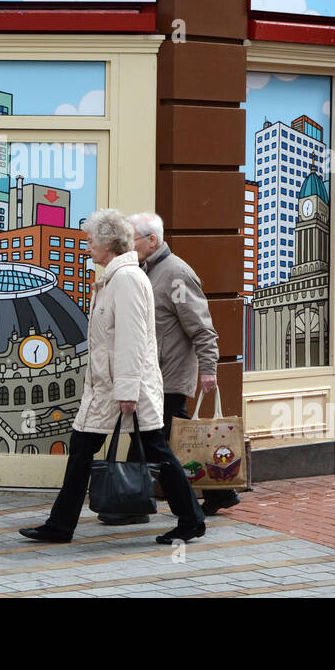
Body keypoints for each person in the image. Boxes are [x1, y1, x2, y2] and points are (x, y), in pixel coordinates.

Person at [19, 209, 206, 545]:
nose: (87, 245)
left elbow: (133, 340)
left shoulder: (127, 280)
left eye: (91, 240)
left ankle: (191, 518)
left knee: (156, 451)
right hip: (109, 388)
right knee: (85, 449)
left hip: (124, 389)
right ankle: (60, 525)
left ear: (109, 243)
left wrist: (128, 391)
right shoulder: (114, 278)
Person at [97, 211, 239, 523]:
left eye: (132, 238)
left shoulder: (177, 274)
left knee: (151, 439)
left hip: (170, 377)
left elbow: (202, 328)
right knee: (162, 441)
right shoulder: (146, 270)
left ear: (152, 240)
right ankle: (217, 493)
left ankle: (134, 505)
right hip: (155, 375)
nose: (128, 244)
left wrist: (209, 369)